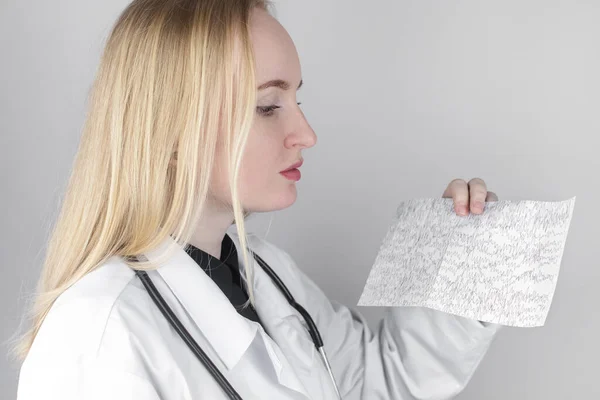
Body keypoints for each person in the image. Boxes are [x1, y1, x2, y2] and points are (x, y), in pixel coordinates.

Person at [14, 1, 502, 399]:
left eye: (297, 101)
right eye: (268, 106)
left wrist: (458, 262)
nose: (306, 134)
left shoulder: (267, 273)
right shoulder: (97, 335)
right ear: (173, 126)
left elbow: (372, 384)